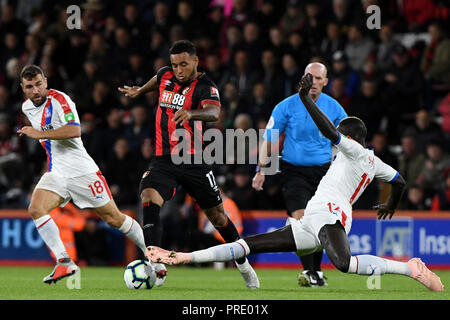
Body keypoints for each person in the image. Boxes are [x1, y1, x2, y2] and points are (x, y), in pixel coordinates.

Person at [147, 73, 444, 292]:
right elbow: (400, 180)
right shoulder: (376, 162)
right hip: (312, 218)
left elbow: (330, 132)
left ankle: (410, 268)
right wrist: (390, 204)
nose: (336, 141)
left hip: (330, 213)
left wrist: (304, 98)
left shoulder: (355, 150)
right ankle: (184, 257)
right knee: (244, 246)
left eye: (341, 135)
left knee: (344, 264)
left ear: (351, 137)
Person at [118, 40, 259, 289]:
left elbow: (214, 114)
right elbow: (157, 79)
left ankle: (243, 263)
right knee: (149, 198)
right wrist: (141, 91)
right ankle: (155, 263)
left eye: (184, 64)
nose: (179, 70)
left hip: (194, 160)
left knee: (217, 217)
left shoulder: (206, 86)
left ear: (195, 61)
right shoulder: (165, 75)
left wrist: (192, 113)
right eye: (174, 65)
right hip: (163, 159)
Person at [17, 65, 161, 285]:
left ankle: (155, 256)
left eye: (38, 84)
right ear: (23, 88)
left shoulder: (61, 100)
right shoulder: (27, 107)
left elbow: (75, 130)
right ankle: (64, 262)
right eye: (29, 86)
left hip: (82, 171)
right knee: (36, 208)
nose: (35, 90)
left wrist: (38, 133)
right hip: (57, 172)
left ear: (45, 81)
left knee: (114, 218)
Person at [252, 62, 348, 287]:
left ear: (325, 81)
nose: (313, 82)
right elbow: (270, 138)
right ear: (302, 80)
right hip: (294, 171)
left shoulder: (334, 108)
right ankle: (310, 271)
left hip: (325, 173)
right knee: (302, 218)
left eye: (318, 78)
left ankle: (314, 271)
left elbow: (349, 140)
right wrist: (260, 170)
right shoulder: (286, 106)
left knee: (321, 222)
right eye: (309, 78)